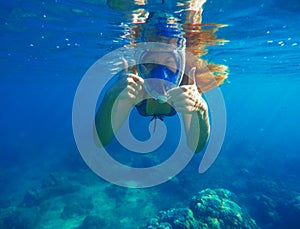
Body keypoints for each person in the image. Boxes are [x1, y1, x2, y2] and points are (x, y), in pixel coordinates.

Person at [95, 0, 228, 152]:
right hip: (181, 24)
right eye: (151, 63)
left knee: (128, 8)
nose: (160, 74)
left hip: (144, 22)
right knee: (191, 13)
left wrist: (112, 95)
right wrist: (200, 108)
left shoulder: (133, 81)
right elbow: (196, 147)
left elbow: (100, 140)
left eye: (168, 62)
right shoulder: (188, 84)